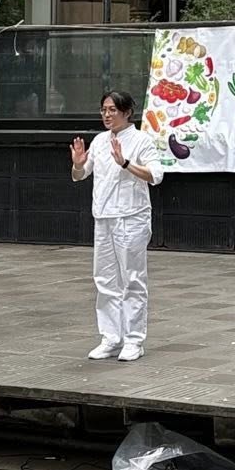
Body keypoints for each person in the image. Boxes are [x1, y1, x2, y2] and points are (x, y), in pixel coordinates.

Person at [70, 90, 162, 363]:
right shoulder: (100, 140)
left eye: (112, 110)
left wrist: (126, 163)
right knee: (105, 279)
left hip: (132, 217)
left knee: (132, 279)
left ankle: (134, 340)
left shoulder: (142, 140)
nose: (107, 115)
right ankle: (111, 337)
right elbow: (80, 175)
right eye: (104, 110)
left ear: (127, 112)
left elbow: (155, 175)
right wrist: (77, 164)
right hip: (104, 217)